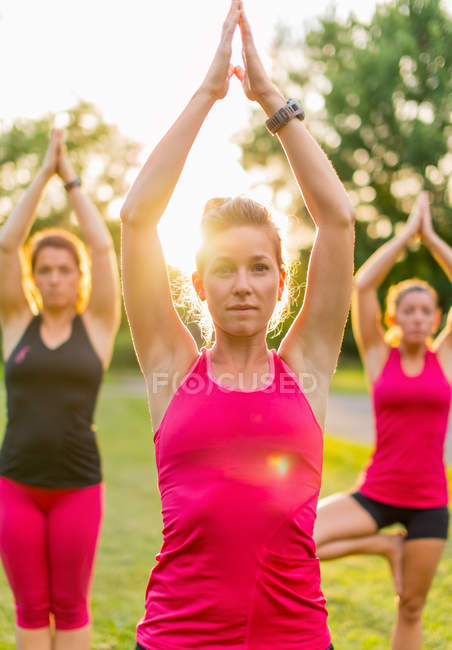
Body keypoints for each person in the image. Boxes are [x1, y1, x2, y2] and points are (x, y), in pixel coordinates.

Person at [120, 2, 354, 648]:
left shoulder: (305, 367)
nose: (244, 285)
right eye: (224, 269)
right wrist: (206, 93)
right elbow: (138, 219)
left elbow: (335, 222)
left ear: (283, 280)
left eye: (259, 267)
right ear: (198, 284)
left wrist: (271, 99)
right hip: (177, 638)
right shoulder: (172, 366)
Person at [313, 191, 452, 649]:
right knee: (301, 537)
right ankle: (383, 545)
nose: (419, 318)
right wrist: (405, 235)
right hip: (377, 492)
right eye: (409, 310)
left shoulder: (449, 357)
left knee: (411, 605)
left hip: (428, 502)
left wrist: (432, 237)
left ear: (436, 317)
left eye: (426, 311)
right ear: (394, 317)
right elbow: (362, 285)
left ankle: (393, 549)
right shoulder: (380, 356)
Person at [0, 129, 121, 650]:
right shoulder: (13, 325)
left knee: (70, 607)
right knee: (30, 609)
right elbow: (6, 242)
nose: (53, 279)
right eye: (44, 271)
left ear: (79, 277)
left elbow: (101, 244)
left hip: (77, 487)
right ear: (33, 278)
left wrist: (67, 177)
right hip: (17, 485)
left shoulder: (96, 325)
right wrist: (39, 175)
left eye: (63, 270)